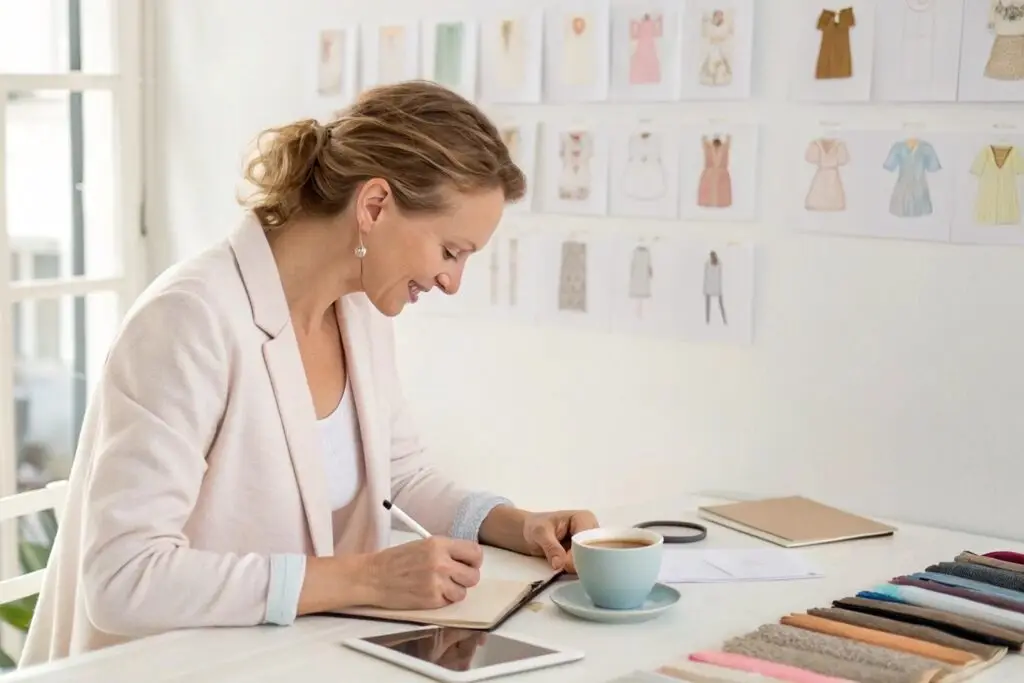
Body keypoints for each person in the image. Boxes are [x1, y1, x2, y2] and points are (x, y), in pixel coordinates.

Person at [20, 81, 599, 667]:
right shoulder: (190, 319)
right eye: (451, 252)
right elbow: (123, 579)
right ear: (374, 206)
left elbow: (402, 477)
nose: (453, 281)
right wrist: (364, 579)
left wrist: (520, 527)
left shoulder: (361, 312)